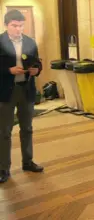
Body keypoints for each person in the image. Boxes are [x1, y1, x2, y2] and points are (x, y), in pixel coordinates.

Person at [0, 10, 44, 184]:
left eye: (21, 26)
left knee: (27, 129)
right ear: (6, 25)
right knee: (4, 132)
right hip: (6, 92)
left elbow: (37, 62)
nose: (18, 29)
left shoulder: (30, 42)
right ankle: (3, 168)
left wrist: (37, 69)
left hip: (26, 90)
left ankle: (28, 162)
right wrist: (8, 71)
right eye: (14, 26)